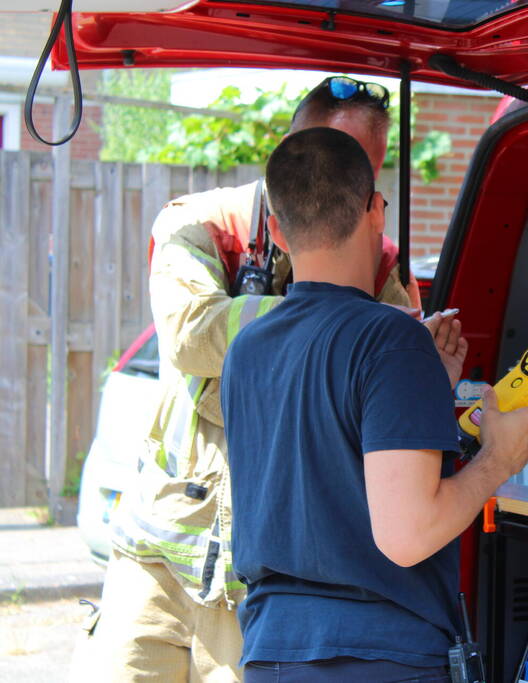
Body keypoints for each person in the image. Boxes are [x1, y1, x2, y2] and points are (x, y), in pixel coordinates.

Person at [80, 77, 419, 682]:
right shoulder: (202, 223)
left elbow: (390, 367)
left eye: (356, 171)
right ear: (286, 149)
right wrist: (324, 318)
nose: (335, 181)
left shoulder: (384, 260)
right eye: (322, 156)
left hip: (258, 571)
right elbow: (189, 335)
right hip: (157, 551)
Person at [221, 127, 528, 681]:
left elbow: (316, 478)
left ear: (277, 231)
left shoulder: (247, 346)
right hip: (377, 659)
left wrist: (427, 391)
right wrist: (499, 458)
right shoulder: (392, 340)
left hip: (271, 651)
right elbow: (408, 535)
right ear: (377, 210)